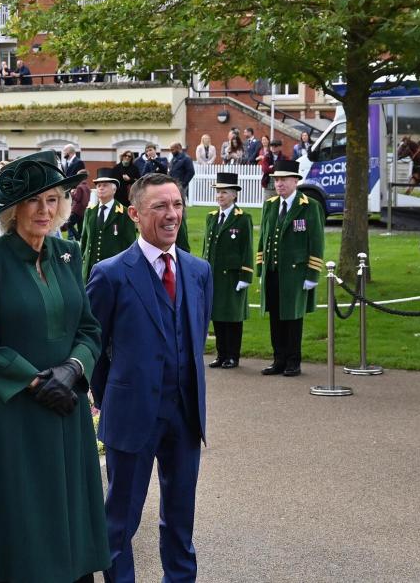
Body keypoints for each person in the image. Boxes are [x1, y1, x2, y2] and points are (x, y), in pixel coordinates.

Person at [0, 150, 107, 583]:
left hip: (66, 404)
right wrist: (37, 381)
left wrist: (72, 372)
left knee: (68, 505)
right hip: (14, 410)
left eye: (53, 199)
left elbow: (89, 327)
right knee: (23, 508)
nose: (45, 210)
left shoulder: (67, 253)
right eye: (34, 201)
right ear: (13, 209)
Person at [86, 173, 212, 583]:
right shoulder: (110, 273)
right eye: (160, 206)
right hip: (131, 414)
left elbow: (193, 335)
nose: (172, 214)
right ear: (135, 213)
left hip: (185, 415)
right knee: (119, 521)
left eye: (176, 204)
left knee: (180, 517)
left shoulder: (198, 271)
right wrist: (111, 397)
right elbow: (92, 346)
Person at [257, 160, 324, 377]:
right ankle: (278, 359)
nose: (279, 184)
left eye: (284, 180)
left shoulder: (309, 205)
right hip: (274, 271)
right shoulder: (271, 205)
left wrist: (312, 273)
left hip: (296, 273)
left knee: (293, 317)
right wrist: (261, 269)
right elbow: (263, 240)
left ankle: (293, 361)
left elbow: (316, 241)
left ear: (295, 181)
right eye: (277, 180)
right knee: (275, 316)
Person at [203, 172, 253, 369]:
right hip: (215, 274)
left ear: (234, 195)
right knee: (217, 316)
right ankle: (221, 353)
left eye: (224, 192)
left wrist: (246, 275)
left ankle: (233, 355)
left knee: (232, 317)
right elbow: (207, 246)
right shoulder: (211, 217)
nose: (220, 196)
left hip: (233, 276)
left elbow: (247, 248)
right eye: (218, 192)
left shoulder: (242, 218)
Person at [80, 168, 135, 279]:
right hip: (91, 269)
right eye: (98, 185)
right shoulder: (90, 211)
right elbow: (84, 240)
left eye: (105, 185)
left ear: (114, 190)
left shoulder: (123, 213)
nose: (101, 188)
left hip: (114, 270)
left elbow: (130, 243)